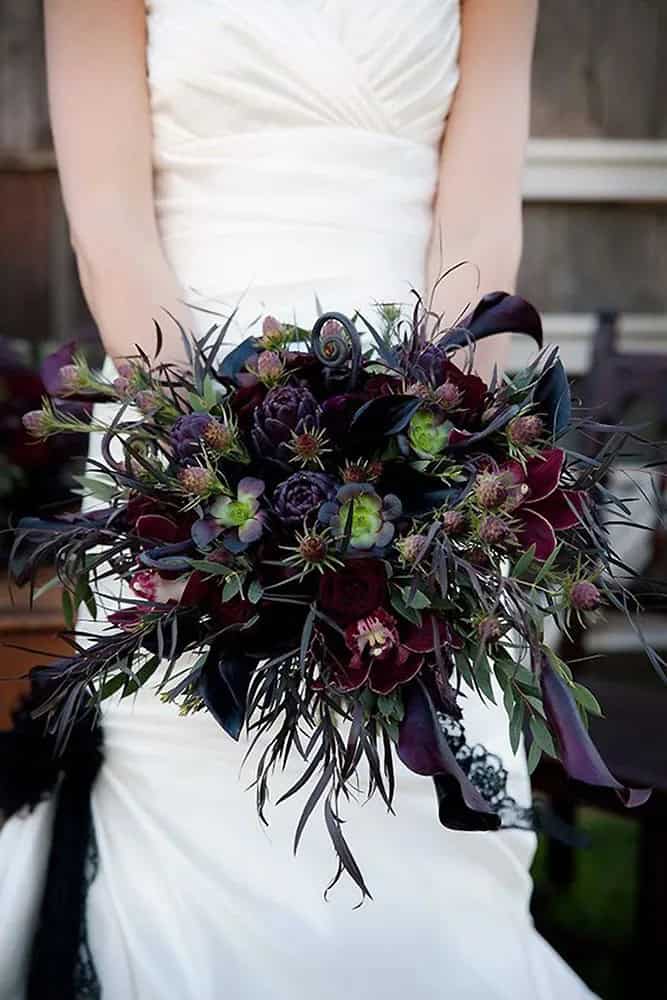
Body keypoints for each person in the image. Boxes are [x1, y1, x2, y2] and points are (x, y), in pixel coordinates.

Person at [0, 1, 598, 997]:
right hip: (181, 439)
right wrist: (206, 457)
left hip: (423, 444)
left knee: (422, 848)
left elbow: (481, 213)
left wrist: (438, 447)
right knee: (197, 804)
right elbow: (110, 223)